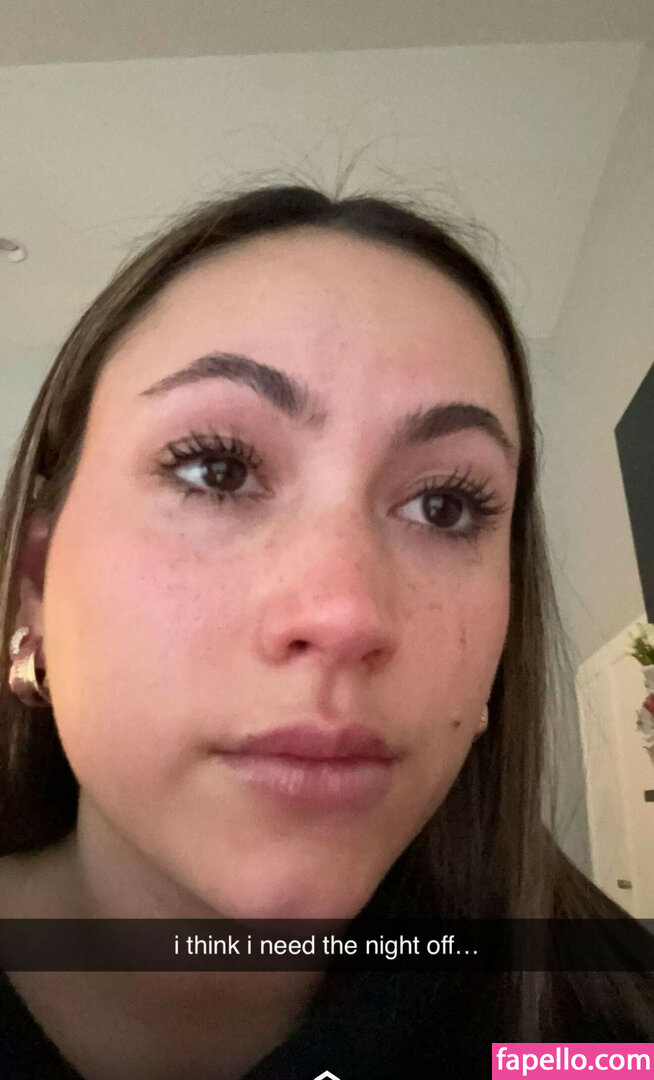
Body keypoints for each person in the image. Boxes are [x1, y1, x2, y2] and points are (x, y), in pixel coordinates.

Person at [0, 183, 652, 1080]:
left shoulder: (611, 1035)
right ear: (35, 586)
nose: (345, 614)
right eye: (217, 470)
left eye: (445, 505)